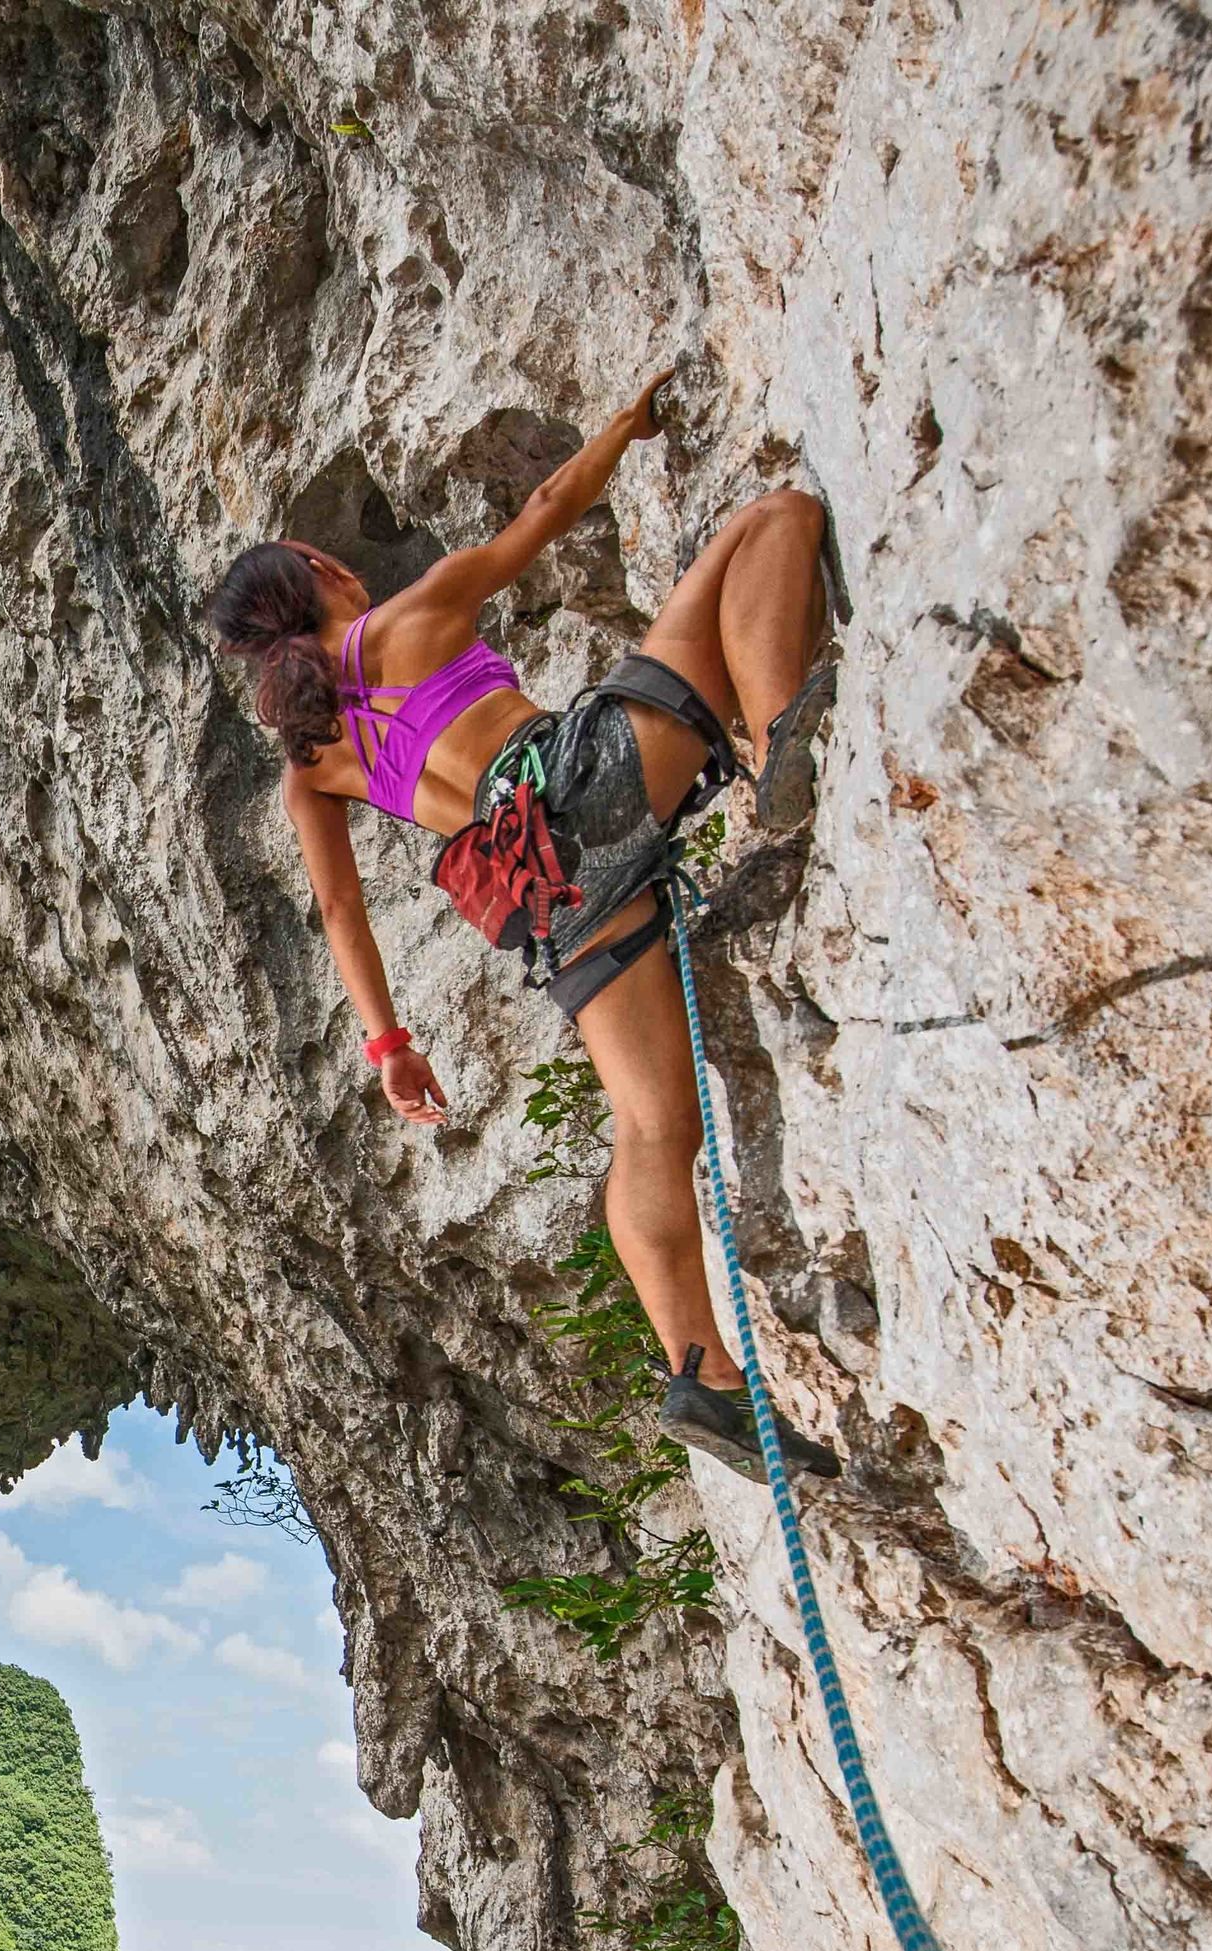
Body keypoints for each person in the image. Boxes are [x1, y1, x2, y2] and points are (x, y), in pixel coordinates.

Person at [205, 374, 841, 1481]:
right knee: (774, 521)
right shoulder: (414, 616)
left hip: (545, 896)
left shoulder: (311, 767)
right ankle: (788, 743)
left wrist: (390, 1045)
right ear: (317, 572)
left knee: (653, 1124)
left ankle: (699, 1366)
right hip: (585, 785)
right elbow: (548, 506)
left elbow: (344, 911)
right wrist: (626, 429)